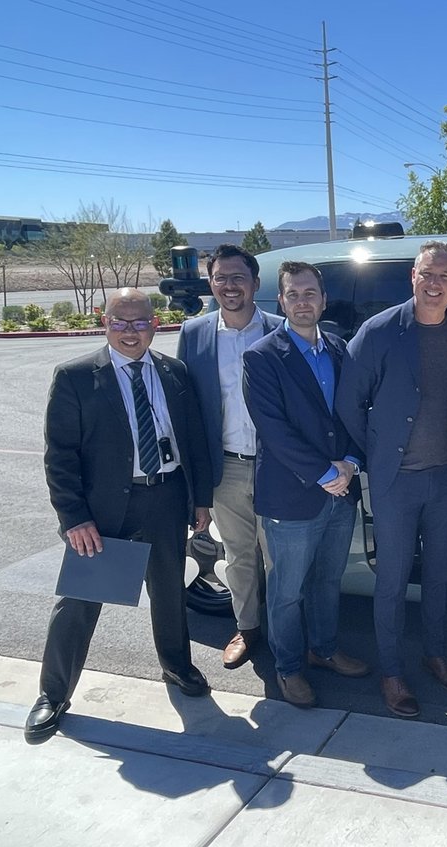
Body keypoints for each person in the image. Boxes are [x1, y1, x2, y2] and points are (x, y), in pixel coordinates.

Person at [24, 289, 214, 744]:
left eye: (140, 322)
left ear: (155, 323)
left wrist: (199, 499)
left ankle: (176, 664)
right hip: (103, 512)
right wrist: (74, 518)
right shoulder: (75, 377)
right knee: (80, 603)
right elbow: (61, 457)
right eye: (120, 322)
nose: (130, 332)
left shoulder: (175, 372)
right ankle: (53, 693)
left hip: (166, 498)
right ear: (103, 322)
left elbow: (192, 440)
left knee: (170, 593)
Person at [336, 241, 447, 718]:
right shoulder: (378, 332)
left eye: (445, 277)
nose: (434, 284)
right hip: (396, 481)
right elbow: (348, 405)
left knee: (440, 573)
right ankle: (392, 672)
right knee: (392, 579)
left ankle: (434, 653)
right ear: (412, 278)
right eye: (426, 274)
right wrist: (376, 456)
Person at [243, 261, 369, 709]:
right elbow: (274, 430)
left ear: (323, 298)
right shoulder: (261, 356)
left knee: (328, 581)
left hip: (341, 490)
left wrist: (351, 463)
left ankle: (326, 649)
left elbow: (356, 413)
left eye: (309, 293)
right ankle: (289, 668)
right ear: (281, 300)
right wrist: (326, 473)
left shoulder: (340, 348)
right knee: (287, 591)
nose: (302, 301)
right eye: (293, 294)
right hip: (294, 494)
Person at [177, 244, 283, 670]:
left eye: (238, 277)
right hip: (227, 467)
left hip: (278, 468)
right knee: (238, 556)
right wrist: (195, 488)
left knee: (280, 557)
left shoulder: (280, 328)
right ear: (211, 283)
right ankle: (248, 627)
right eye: (221, 278)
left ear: (256, 283)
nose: (230, 286)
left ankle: (285, 634)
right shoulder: (195, 333)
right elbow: (186, 411)